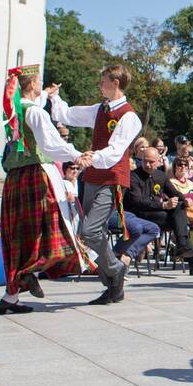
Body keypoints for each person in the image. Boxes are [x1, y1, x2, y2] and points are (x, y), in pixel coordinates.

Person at [0, 65, 88, 314]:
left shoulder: (15, 110)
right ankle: (26, 273)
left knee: (20, 236)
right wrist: (78, 155)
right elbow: (51, 144)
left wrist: (48, 95)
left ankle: (11, 296)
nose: (41, 85)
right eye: (39, 81)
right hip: (36, 176)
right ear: (32, 84)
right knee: (52, 230)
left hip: (16, 179)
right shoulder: (35, 112)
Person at [48, 64, 141, 306]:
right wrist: (54, 97)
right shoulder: (100, 109)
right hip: (92, 178)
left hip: (111, 179)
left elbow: (116, 149)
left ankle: (115, 269)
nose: (100, 85)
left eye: (103, 81)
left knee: (89, 232)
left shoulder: (129, 116)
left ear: (116, 83)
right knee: (87, 234)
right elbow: (68, 115)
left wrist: (93, 157)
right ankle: (113, 285)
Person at [126, 147, 193, 275]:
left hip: (159, 215)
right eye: (145, 161)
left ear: (158, 161)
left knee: (180, 206)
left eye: (151, 162)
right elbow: (137, 202)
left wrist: (185, 200)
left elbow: (173, 192)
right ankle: (191, 260)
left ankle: (183, 247)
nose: (147, 165)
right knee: (179, 222)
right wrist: (164, 205)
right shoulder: (134, 176)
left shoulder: (160, 175)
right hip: (140, 215)